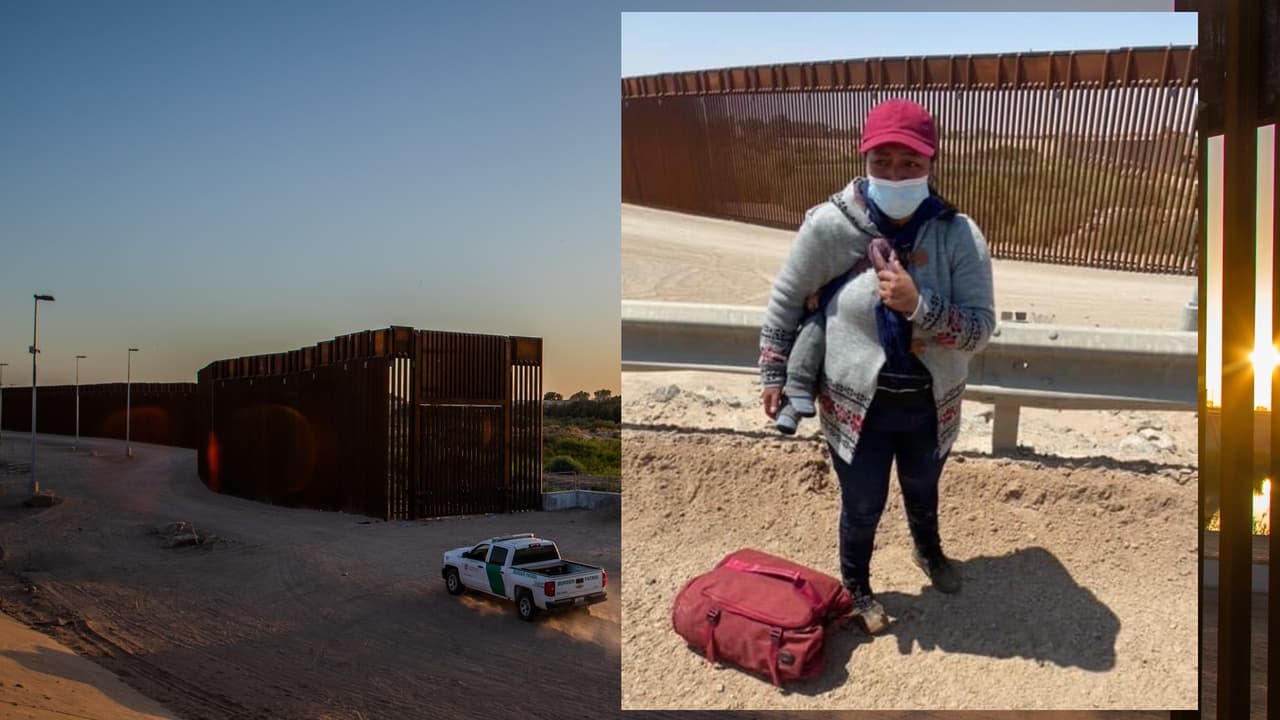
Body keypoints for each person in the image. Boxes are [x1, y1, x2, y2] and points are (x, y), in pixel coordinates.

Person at [758, 98, 995, 635]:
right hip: (854, 406)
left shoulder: (958, 234)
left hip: (931, 405)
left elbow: (980, 330)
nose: (895, 174)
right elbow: (786, 300)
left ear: (931, 164)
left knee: (923, 485)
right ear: (863, 159)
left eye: (910, 163)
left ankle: (927, 550)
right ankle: (857, 584)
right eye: (881, 161)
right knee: (863, 502)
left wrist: (920, 306)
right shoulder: (830, 226)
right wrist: (773, 372)